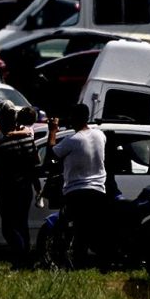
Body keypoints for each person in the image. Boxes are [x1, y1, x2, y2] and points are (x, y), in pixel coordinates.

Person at [48, 104, 109, 268]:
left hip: (77, 191)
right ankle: (100, 261)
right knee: (93, 228)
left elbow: (51, 154)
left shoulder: (72, 140)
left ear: (74, 118)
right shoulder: (100, 135)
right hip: (98, 190)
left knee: (79, 229)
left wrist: (53, 131)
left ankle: (78, 263)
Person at [0, 102, 41, 269]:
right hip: (25, 189)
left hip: (8, 190)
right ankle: (26, 260)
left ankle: (21, 259)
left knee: (8, 228)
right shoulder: (27, 139)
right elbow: (36, 163)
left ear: (3, 122)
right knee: (22, 225)